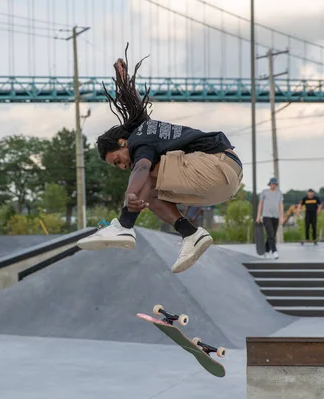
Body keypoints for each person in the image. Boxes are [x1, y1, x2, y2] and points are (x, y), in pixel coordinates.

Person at [77, 48, 243, 273]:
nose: (123, 166)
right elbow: (136, 107)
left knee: (145, 176)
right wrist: (124, 82)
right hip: (223, 179)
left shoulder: (139, 142)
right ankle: (191, 234)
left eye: (117, 161)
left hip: (216, 165)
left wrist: (129, 197)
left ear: (123, 142)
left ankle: (124, 225)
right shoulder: (146, 131)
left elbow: (142, 167)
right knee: (150, 195)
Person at [256, 177, 284, 259]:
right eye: (272, 184)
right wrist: (258, 216)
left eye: (275, 184)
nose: (273, 185)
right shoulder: (264, 192)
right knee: (271, 233)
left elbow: (281, 205)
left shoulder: (279, 193)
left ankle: (266, 251)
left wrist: (282, 216)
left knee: (272, 235)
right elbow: (260, 204)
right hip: (266, 216)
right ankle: (274, 251)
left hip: (276, 216)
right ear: (270, 184)